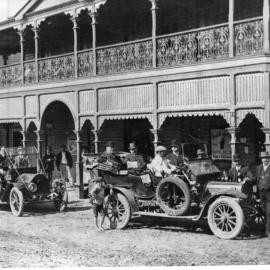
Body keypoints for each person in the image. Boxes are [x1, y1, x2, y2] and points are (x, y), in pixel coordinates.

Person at [256, 151, 270, 239]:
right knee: (264, 211)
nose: (264, 159)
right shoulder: (259, 168)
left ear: (268, 158)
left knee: (269, 212)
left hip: (269, 193)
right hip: (261, 193)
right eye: (262, 158)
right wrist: (247, 180)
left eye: (265, 158)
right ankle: (266, 228)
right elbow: (256, 179)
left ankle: (268, 231)